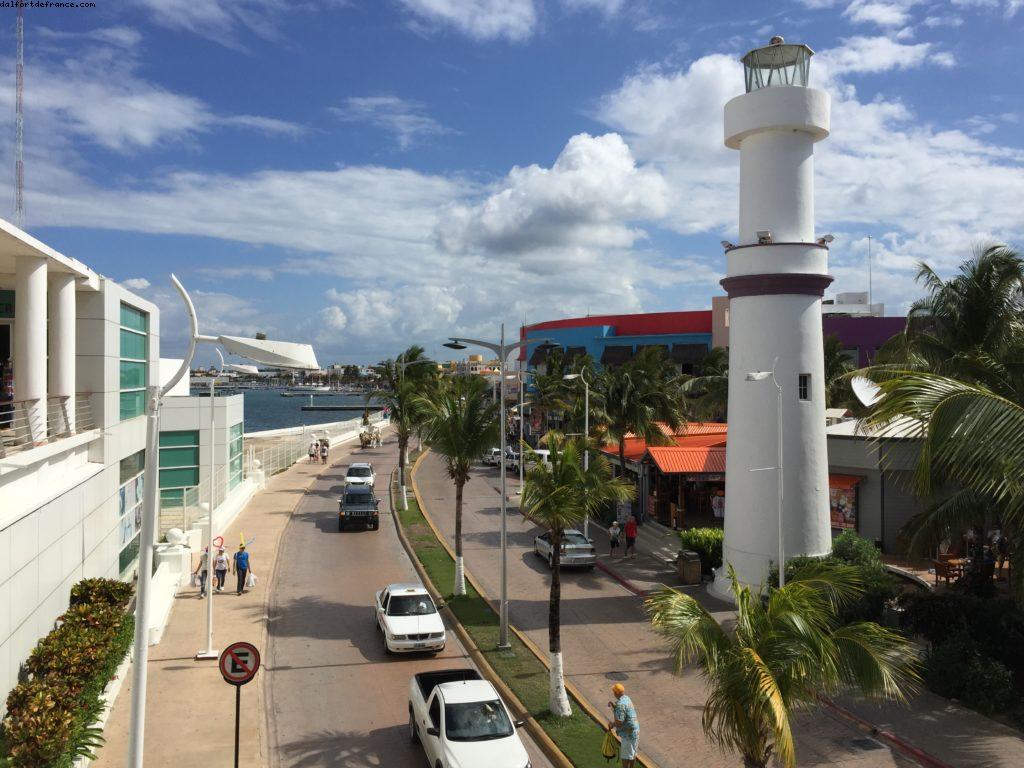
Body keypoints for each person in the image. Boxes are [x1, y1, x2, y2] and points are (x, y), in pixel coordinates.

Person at [607, 683, 640, 768]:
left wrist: (611, 724)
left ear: (616, 693)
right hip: (635, 731)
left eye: (614, 691)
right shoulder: (626, 698)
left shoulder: (620, 704)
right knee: (632, 754)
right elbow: (622, 712)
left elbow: (619, 721)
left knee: (625, 757)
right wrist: (614, 707)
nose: (613, 693)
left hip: (628, 734)